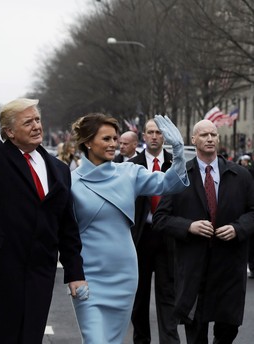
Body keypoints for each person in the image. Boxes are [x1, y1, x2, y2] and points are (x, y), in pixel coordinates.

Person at [0, 99, 87, 343]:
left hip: (38, 274)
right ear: (10, 132)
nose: (36, 126)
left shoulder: (59, 169)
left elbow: (67, 226)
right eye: (28, 122)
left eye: (37, 120)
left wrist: (75, 272)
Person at [69, 113, 188, 344]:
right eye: (106, 139)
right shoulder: (70, 182)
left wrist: (179, 152)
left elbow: (168, 183)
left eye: (115, 138)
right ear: (87, 142)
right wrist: (74, 274)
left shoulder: (129, 173)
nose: (114, 144)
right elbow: (65, 235)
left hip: (124, 275)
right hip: (88, 277)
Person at [153, 119, 254, 344]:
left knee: (228, 327)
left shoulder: (240, 175)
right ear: (193, 140)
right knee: (195, 329)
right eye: (204, 135)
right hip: (194, 266)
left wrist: (238, 228)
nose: (209, 139)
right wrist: (189, 226)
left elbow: (252, 212)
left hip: (229, 264)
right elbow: (160, 219)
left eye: (213, 134)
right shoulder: (180, 175)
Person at [128, 119, 180, 343]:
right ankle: (141, 340)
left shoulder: (176, 163)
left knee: (168, 294)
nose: (154, 136)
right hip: (141, 236)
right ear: (143, 136)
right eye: (150, 132)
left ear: (164, 137)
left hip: (168, 235)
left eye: (159, 132)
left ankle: (169, 340)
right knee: (139, 297)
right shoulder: (132, 165)